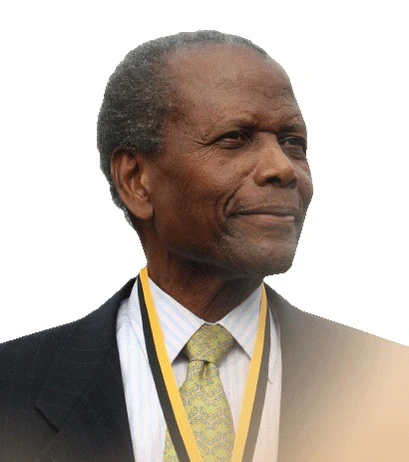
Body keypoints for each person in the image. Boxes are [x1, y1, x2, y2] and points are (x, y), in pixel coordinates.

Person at [0, 30, 408, 462]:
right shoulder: (13, 389)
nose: (282, 168)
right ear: (136, 180)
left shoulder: (389, 390)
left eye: (293, 143)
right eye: (235, 138)